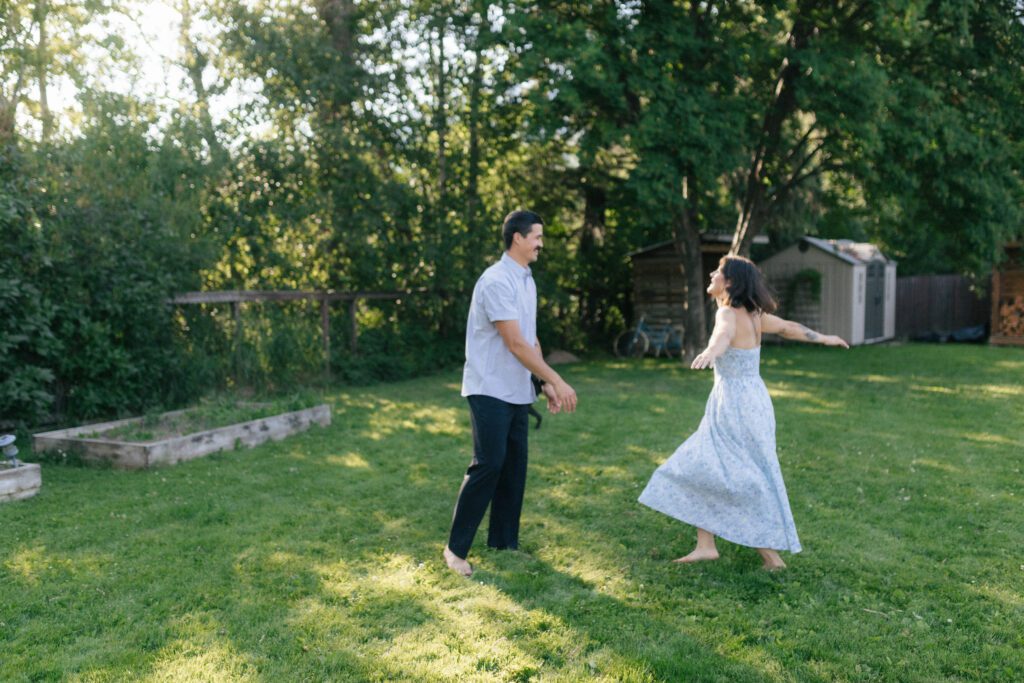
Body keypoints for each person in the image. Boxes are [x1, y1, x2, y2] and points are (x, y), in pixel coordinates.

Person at [638, 255, 848, 570]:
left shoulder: (727, 313)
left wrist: (711, 351)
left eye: (718, 271)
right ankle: (706, 545)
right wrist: (824, 338)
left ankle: (770, 557)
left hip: (734, 404)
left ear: (731, 282)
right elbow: (788, 328)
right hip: (755, 401)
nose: (712, 274)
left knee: (736, 474)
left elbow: (722, 336)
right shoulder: (754, 315)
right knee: (711, 467)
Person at [443, 210, 578, 577]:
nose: (541, 244)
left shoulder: (526, 280)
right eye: (537, 237)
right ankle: (455, 550)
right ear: (517, 238)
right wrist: (558, 380)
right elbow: (514, 343)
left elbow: (530, 338)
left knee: (513, 468)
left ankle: (504, 542)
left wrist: (542, 383)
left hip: (517, 388)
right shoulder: (495, 280)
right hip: (489, 387)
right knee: (488, 464)